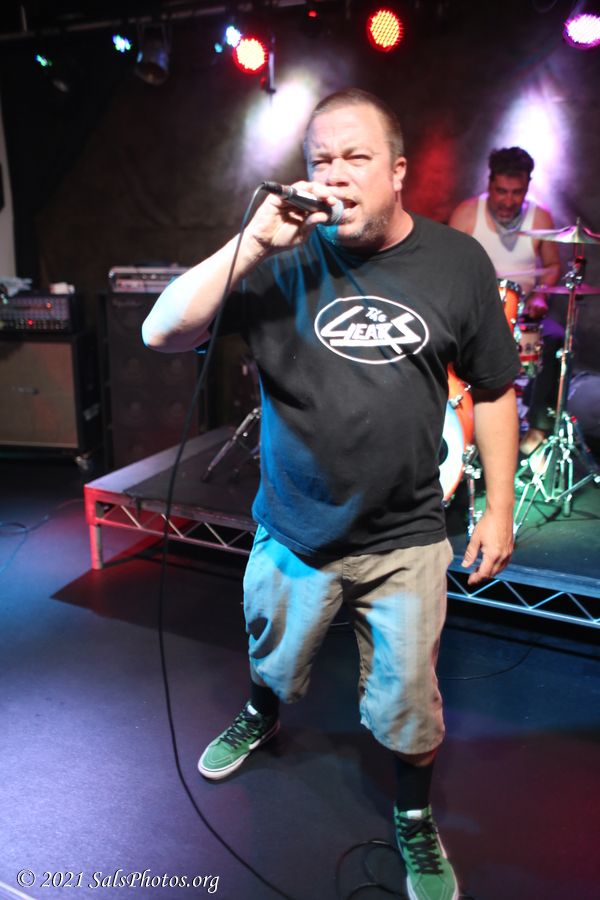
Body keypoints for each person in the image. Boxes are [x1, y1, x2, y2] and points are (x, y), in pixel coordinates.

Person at [142, 89, 521, 900]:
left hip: (407, 534)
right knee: (273, 654)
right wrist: (252, 241)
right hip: (295, 527)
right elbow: (161, 331)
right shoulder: (277, 256)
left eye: (357, 158)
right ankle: (262, 711)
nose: (336, 175)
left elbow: (494, 389)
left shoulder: (457, 262)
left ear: (398, 169)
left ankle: (413, 816)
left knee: (410, 703)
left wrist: (499, 508)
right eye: (322, 160)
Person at [448, 147, 562, 456]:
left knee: (556, 340)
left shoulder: (540, 216)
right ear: (490, 183)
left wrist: (540, 294)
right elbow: (447, 267)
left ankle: (536, 432)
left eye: (517, 192)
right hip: (476, 312)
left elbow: (552, 265)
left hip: (524, 314)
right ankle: (460, 425)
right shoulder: (467, 214)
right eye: (501, 191)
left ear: (527, 186)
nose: (508, 201)